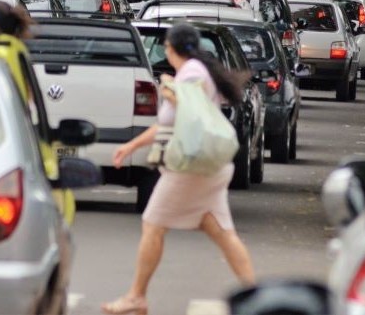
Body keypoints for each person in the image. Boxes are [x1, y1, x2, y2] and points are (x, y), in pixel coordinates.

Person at [101, 23, 255, 315]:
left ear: (172, 48)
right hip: (206, 166)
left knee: (152, 223)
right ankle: (254, 294)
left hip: (191, 166)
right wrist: (131, 146)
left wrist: (170, 88)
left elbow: (189, 108)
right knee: (222, 231)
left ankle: (136, 296)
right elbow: (170, 123)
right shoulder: (195, 71)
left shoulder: (192, 72)